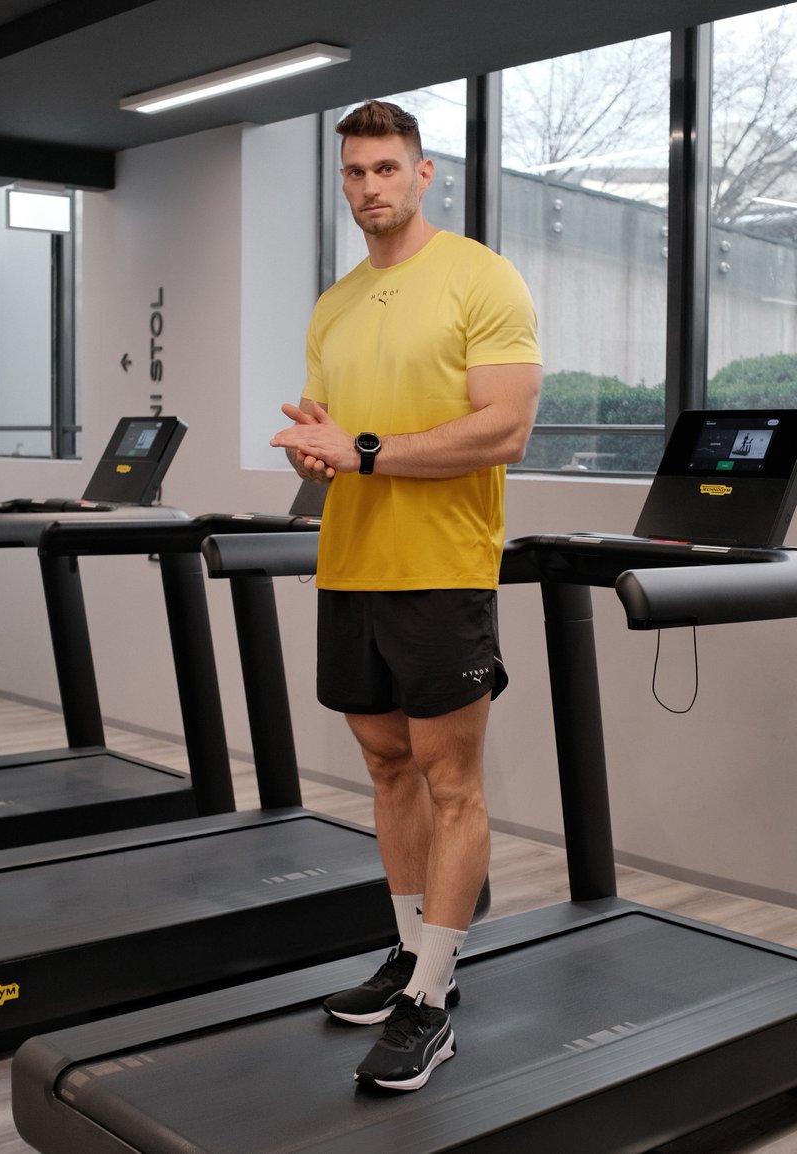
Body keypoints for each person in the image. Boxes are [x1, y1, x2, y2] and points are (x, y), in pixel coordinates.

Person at [271, 99, 542, 1092]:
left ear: (423, 174)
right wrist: (318, 448)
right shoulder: (334, 303)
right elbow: (336, 438)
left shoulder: (479, 276)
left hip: (442, 566)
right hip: (351, 561)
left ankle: (433, 997)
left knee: (448, 776)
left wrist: (364, 448)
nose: (368, 186)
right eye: (354, 171)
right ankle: (407, 952)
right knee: (386, 765)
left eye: (385, 168)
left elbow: (505, 427)